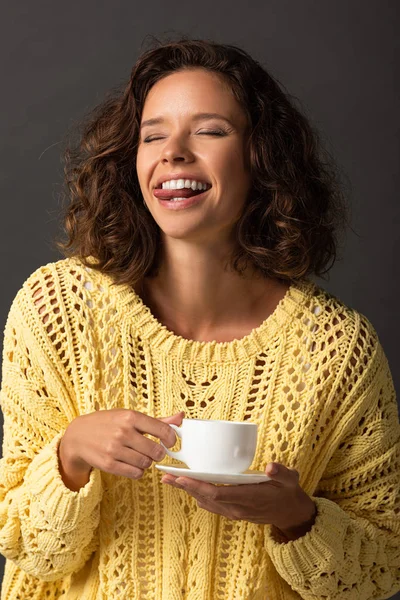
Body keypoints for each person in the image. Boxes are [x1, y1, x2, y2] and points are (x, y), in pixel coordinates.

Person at [0, 36, 399, 600]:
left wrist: (297, 516)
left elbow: (379, 570)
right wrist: (71, 455)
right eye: (153, 135)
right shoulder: (56, 309)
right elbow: (29, 549)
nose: (174, 153)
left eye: (209, 130)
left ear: (262, 157)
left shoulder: (337, 348)